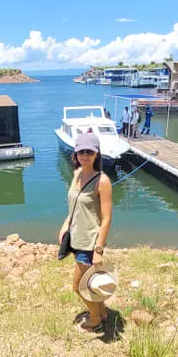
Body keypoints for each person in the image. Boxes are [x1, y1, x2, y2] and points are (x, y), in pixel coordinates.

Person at [58, 132, 113, 333]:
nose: (85, 155)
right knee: (90, 281)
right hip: (76, 237)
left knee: (79, 286)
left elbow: (106, 218)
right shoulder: (76, 174)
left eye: (89, 152)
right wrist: (66, 224)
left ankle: (96, 318)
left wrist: (98, 249)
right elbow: (74, 206)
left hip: (90, 242)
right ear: (76, 153)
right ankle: (102, 312)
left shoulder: (102, 181)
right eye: (81, 151)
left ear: (97, 154)